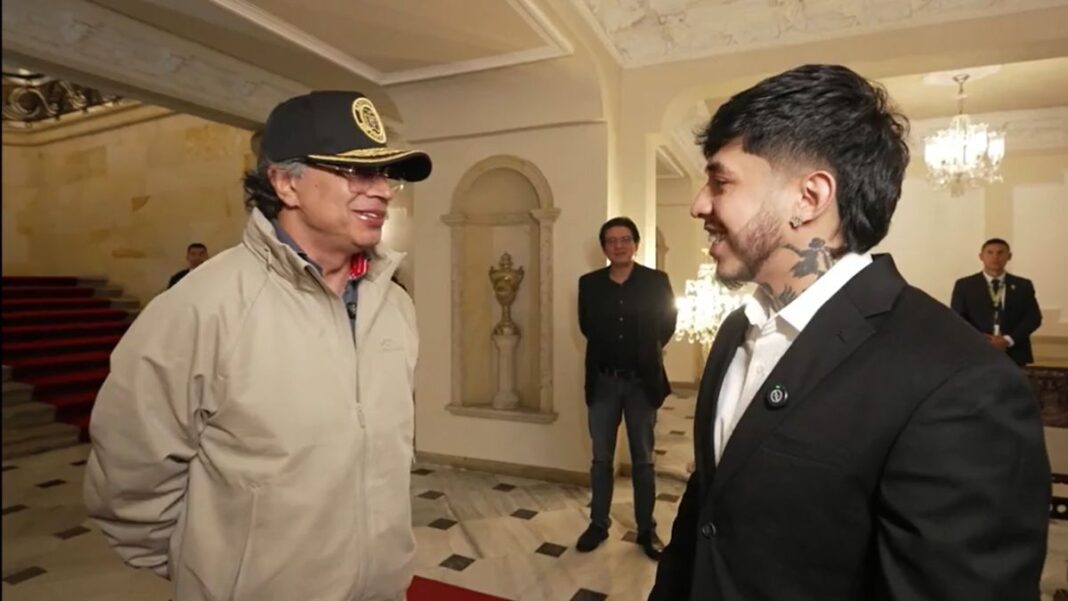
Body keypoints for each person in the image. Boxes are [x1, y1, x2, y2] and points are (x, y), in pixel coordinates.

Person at [649, 64, 1049, 601]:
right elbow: (707, 511)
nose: (699, 203)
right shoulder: (733, 334)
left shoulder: (961, 384)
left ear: (809, 198)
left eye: (721, 182)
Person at [84, 90, 431, 601]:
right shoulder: (202, 306)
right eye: (358, 173)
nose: (382, 192)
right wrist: (217, 570)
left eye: (386, 175)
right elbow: (129, 481)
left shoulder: (395, 307)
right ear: (286, 183)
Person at [577, 217, 677, 560]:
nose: (618, 245)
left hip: (641, 384)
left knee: (643, 461)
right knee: (601, 458)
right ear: (604, 247)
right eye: (611, 240)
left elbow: (667, 324)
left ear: (635, 244)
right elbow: (587, 325)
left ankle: (646, 530)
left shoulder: (656, 281)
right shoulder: (589, 284)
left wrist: (643, 354)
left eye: (624, 239)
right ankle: (598, 523)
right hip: (604, 382)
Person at [951, 238, 1042, 366]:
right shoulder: (965, 285)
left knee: (1013, 386)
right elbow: (957, 318)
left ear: (1009, 256)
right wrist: (981, 340)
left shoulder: (1023, 285)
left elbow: (1033, 318)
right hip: (976, 352)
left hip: (1014, 353)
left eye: (1000, 252)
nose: (995, 257)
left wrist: (1007, 340)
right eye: (990, 252)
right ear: (981, 256)